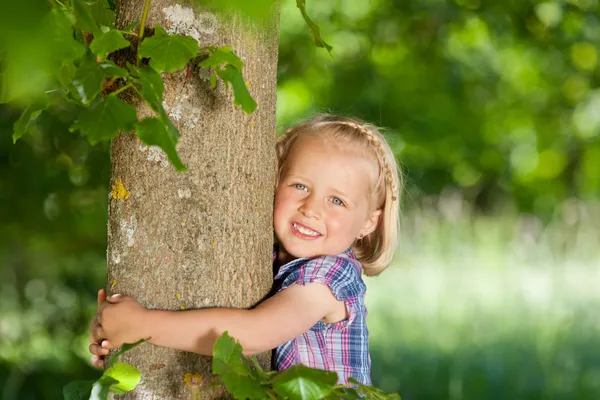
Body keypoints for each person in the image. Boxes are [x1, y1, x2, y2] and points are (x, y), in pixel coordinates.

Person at [89, 114, 401, 385]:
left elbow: (252, 336)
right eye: (300, 186)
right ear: (274, 183)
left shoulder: (330, 277)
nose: (311, 209)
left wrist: (141, 326)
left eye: (337, 201)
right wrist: (114, 331)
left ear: (369, 223)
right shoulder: (268, 258)